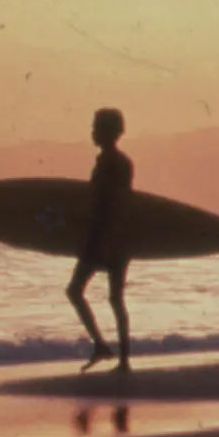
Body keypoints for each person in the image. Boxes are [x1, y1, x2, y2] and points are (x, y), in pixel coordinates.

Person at [68, 107, 134, 372]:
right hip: (121, 237)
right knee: (115, 299)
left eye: (96, 127)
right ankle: (123, 359)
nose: (92, 132)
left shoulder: (109, 163)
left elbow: (104, 203)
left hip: (103, 238)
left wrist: (92, 239)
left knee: (75, 291)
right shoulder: (123, 162)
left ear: (108, 131)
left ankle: (101, 346)